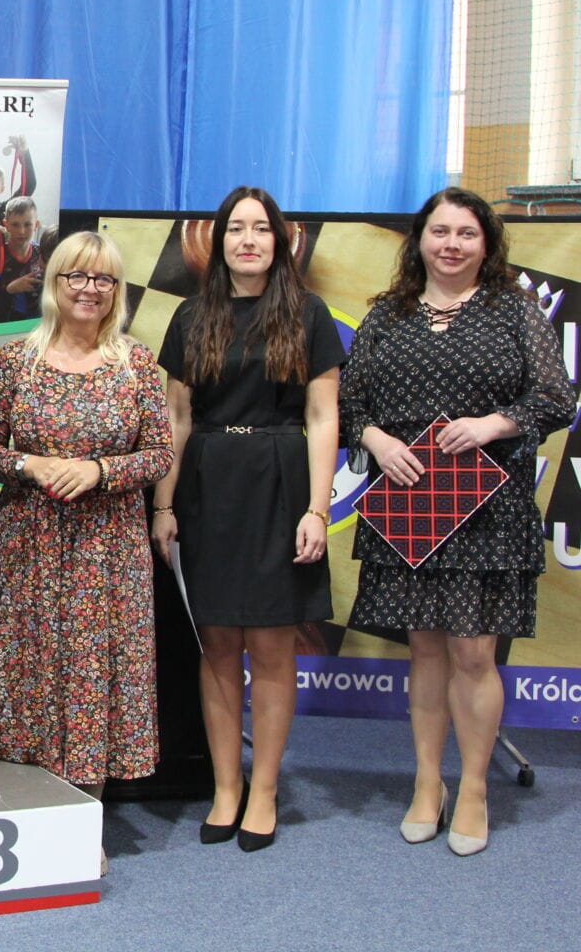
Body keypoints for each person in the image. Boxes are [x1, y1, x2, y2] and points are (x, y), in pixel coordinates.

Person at [339, 187, 570, 857]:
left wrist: (493, 424)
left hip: (485, 504)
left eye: (466, 233)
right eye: (440, 231)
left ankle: (472, 789)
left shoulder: (514, 310)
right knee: (425, 650)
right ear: (420, 240)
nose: (451, 244)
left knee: (473, 651)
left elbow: (556, 397)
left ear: (486, 243)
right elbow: (350, 405)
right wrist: (377, 441)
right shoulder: (387, 314)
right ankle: (426, 783)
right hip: (409, 500)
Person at [0, 231, 172, 871]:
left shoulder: (136, 363)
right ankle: (27, 812)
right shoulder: (15, 360)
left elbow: (160, 455)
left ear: (117, 291)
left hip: (108, 550)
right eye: (76, 276)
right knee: (28, 671)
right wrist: (30, 464)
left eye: (103, 279)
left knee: (90, 679)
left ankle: (85, 823)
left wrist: (100, 471)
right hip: (30, 542)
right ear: (54, 283)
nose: (89, 289)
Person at [149, 188, 344, 852]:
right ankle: (226, 787)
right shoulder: (191, 315)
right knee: (218, 645)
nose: (249, 240)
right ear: (219, 240)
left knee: (271, 645)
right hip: (207, 483)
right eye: (237, 228)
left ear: (279, 241)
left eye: (261, 228)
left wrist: (317, 507)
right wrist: (164, 504)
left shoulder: (308, 312)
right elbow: (175, 418)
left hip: (280, 481)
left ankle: (264, 789)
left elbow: (322, 416)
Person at [0, 197, 43, 324]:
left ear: (36, 225)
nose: (21, 231)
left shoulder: (41, 253)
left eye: (27, 224)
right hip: (2, 324)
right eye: (15, 225)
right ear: (6, 225)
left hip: (36, 324)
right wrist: (10, 289)